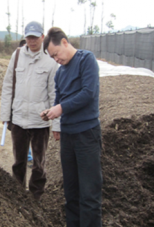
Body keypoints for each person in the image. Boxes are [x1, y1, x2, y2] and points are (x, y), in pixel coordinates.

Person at [41, 27, 102, 227]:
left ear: (65, 42)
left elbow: (88, 93)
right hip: (68, 137)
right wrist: (51, 113)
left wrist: (60, 108)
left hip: (86, 135)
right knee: (71, 191)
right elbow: (59, 99)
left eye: (56, 54)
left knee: (89, 193)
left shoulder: (87, 60)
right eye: (52, 57)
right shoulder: (60, 74)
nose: (56, 59)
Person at [0, 21, 60, 200]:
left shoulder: (50, 60)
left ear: (42, 37)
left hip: (40, 121)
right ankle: (18, 195)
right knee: (18, 161)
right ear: (25, 38)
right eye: (29, 37)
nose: (32, 41)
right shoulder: (17, 55)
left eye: (35, 37)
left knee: (39, 164)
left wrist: (55, 123)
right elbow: (8, 85)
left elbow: (54, 94)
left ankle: (36, 197)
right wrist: (5, 115)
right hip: (18, 119)